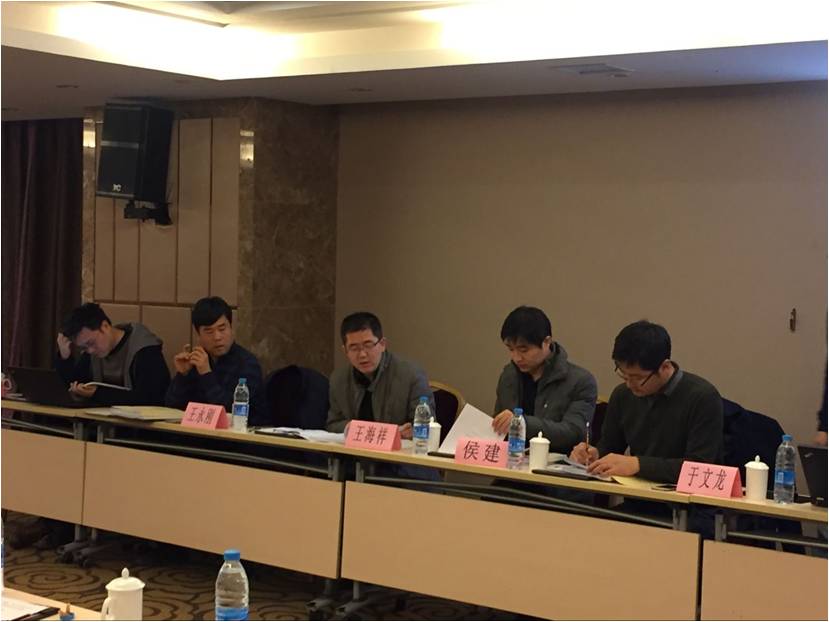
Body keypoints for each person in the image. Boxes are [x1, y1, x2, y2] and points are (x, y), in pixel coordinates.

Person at [570, 320, 723, 483]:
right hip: (635, 492)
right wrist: (595, 455)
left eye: (637, 378)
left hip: (683, 496)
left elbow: (700, 468)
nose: (629, 384)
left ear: (665, 367)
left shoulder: (702, 397)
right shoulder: (623, 395)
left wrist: (638, 464)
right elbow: (610, 446)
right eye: (624, 375)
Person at [492, 306, 597, 453]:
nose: (516, 358)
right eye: (511, 349)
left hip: (555, 463)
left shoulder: (580, 381)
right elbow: (499, 425)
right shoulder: (509, 375)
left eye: (524, 350)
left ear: (547, 342)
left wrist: (521, 423)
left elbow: (574, 433)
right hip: (511, 461)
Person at [326, 312, 434, 439]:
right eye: (354, 348)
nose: (362, 354)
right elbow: (332, 424)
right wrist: (350, 427)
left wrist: (405, 433)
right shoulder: (338, 379)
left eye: (368, 345)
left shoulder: (412, 376)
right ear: (345, 351)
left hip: (397, 450)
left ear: (382, 344)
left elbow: (426, 427)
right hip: (353, 450)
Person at [165, 296, 265, 419]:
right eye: (209, 332)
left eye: (222, 329)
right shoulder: (197, 361)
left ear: (231, 328)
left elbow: (229, 412)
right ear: (198, 336)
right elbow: (172, 406)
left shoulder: (247, 364)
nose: (217, 337)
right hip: (198, 429)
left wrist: (206, 374)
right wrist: (183, 376)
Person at [55, 302, 169, 405]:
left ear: (105, 327)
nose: (90, 350)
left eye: (91, 343)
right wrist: (65, 358)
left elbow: (149, 398)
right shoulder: (92, 352)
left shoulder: (145, 350)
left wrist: (97, 394)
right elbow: (76, 386)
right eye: (84, 347)